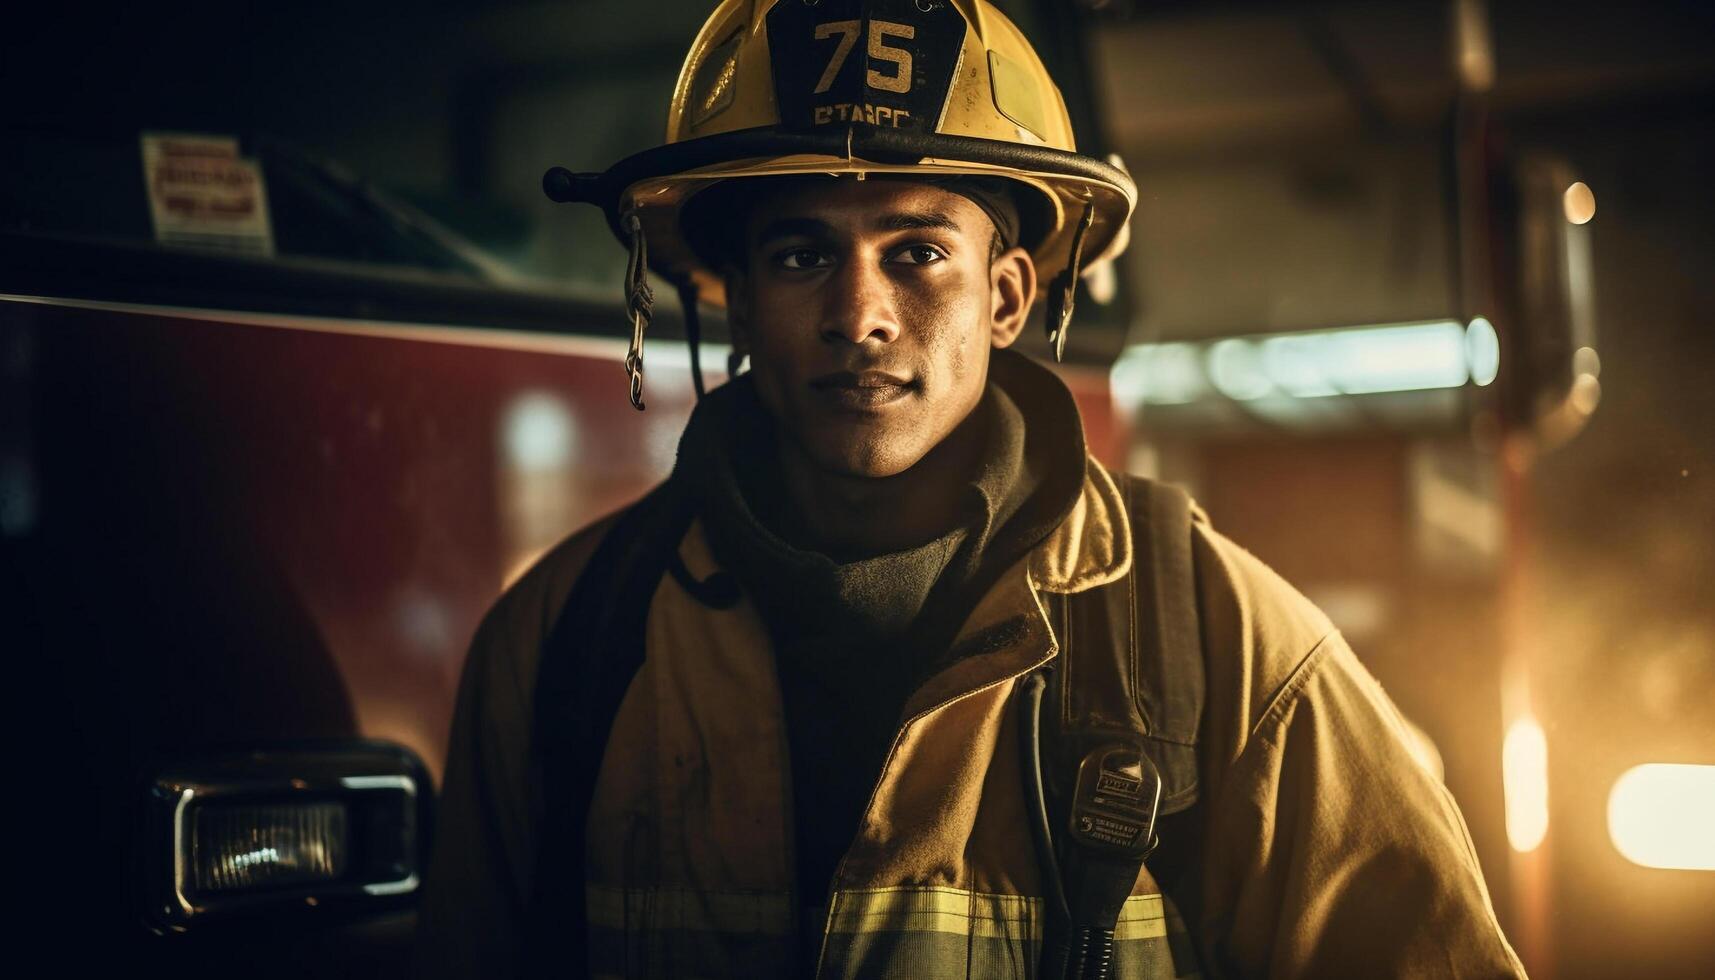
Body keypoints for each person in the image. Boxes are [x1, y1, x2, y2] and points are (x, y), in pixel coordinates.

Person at [418, 2, 1526, 977]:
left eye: (915, 254)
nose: (859, 315)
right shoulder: (562, 644)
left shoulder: (1224, 651)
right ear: (741, 303)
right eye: (802, 255)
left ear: (1004, 297)